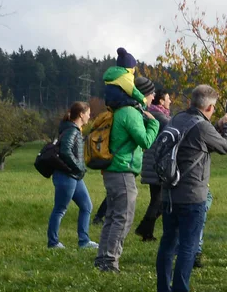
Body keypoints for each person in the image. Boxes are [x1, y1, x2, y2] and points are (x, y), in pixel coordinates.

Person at [154, 85, 227, 292]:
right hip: (192, 194)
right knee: (188, 245)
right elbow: (226, 147)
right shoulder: (202, 127)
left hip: (170, 191)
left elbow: (199, 135)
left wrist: (215, 125)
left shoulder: (178, 119)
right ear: (209, 107)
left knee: (168, 242)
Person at [95, 75, 159, 273]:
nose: (153, 98)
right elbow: (146, 142)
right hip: (123, 171)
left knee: (113, 216)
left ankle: (102, 258)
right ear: (142, 94)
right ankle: (110, 261)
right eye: (151, 94)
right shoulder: (130, 113)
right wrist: (154, 124)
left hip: (113, 170)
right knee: (123, 218)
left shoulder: (118, 110)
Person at [47, 101, 97, 250]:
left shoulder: (74, 129)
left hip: (74, 176)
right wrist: (78, 166)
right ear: (81, 114)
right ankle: (53, 243)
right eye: (88, 113)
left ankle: (84, 241)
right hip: (66, 176)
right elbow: (65, 151)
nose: (89, 116)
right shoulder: (71, 131)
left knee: (87, 206)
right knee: (60, 209)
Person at [134, 87, 174, 242]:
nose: (170, 101)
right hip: (157, 164)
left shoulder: (156, 114)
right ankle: (144, 229)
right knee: (159, 201)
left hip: (152, 163)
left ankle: (146, 232)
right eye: (168, 98)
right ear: (161, 101)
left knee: (157, 200)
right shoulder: (160, 117)